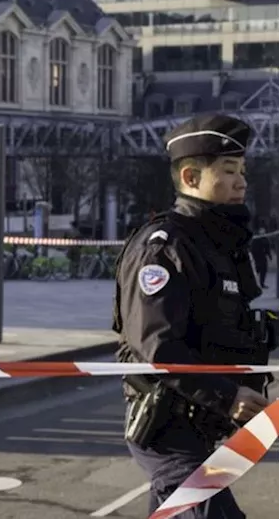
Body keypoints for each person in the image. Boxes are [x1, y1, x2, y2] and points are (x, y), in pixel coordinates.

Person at [114, 113, 273, 519]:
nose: (242, 182)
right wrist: (228, 395)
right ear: (189, 177)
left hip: (202, 428)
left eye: (242, 171)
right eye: (228, 171)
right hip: (170, 431)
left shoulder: (216, 243)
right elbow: (158, 345)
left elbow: (228, 328)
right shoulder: (164, 248)